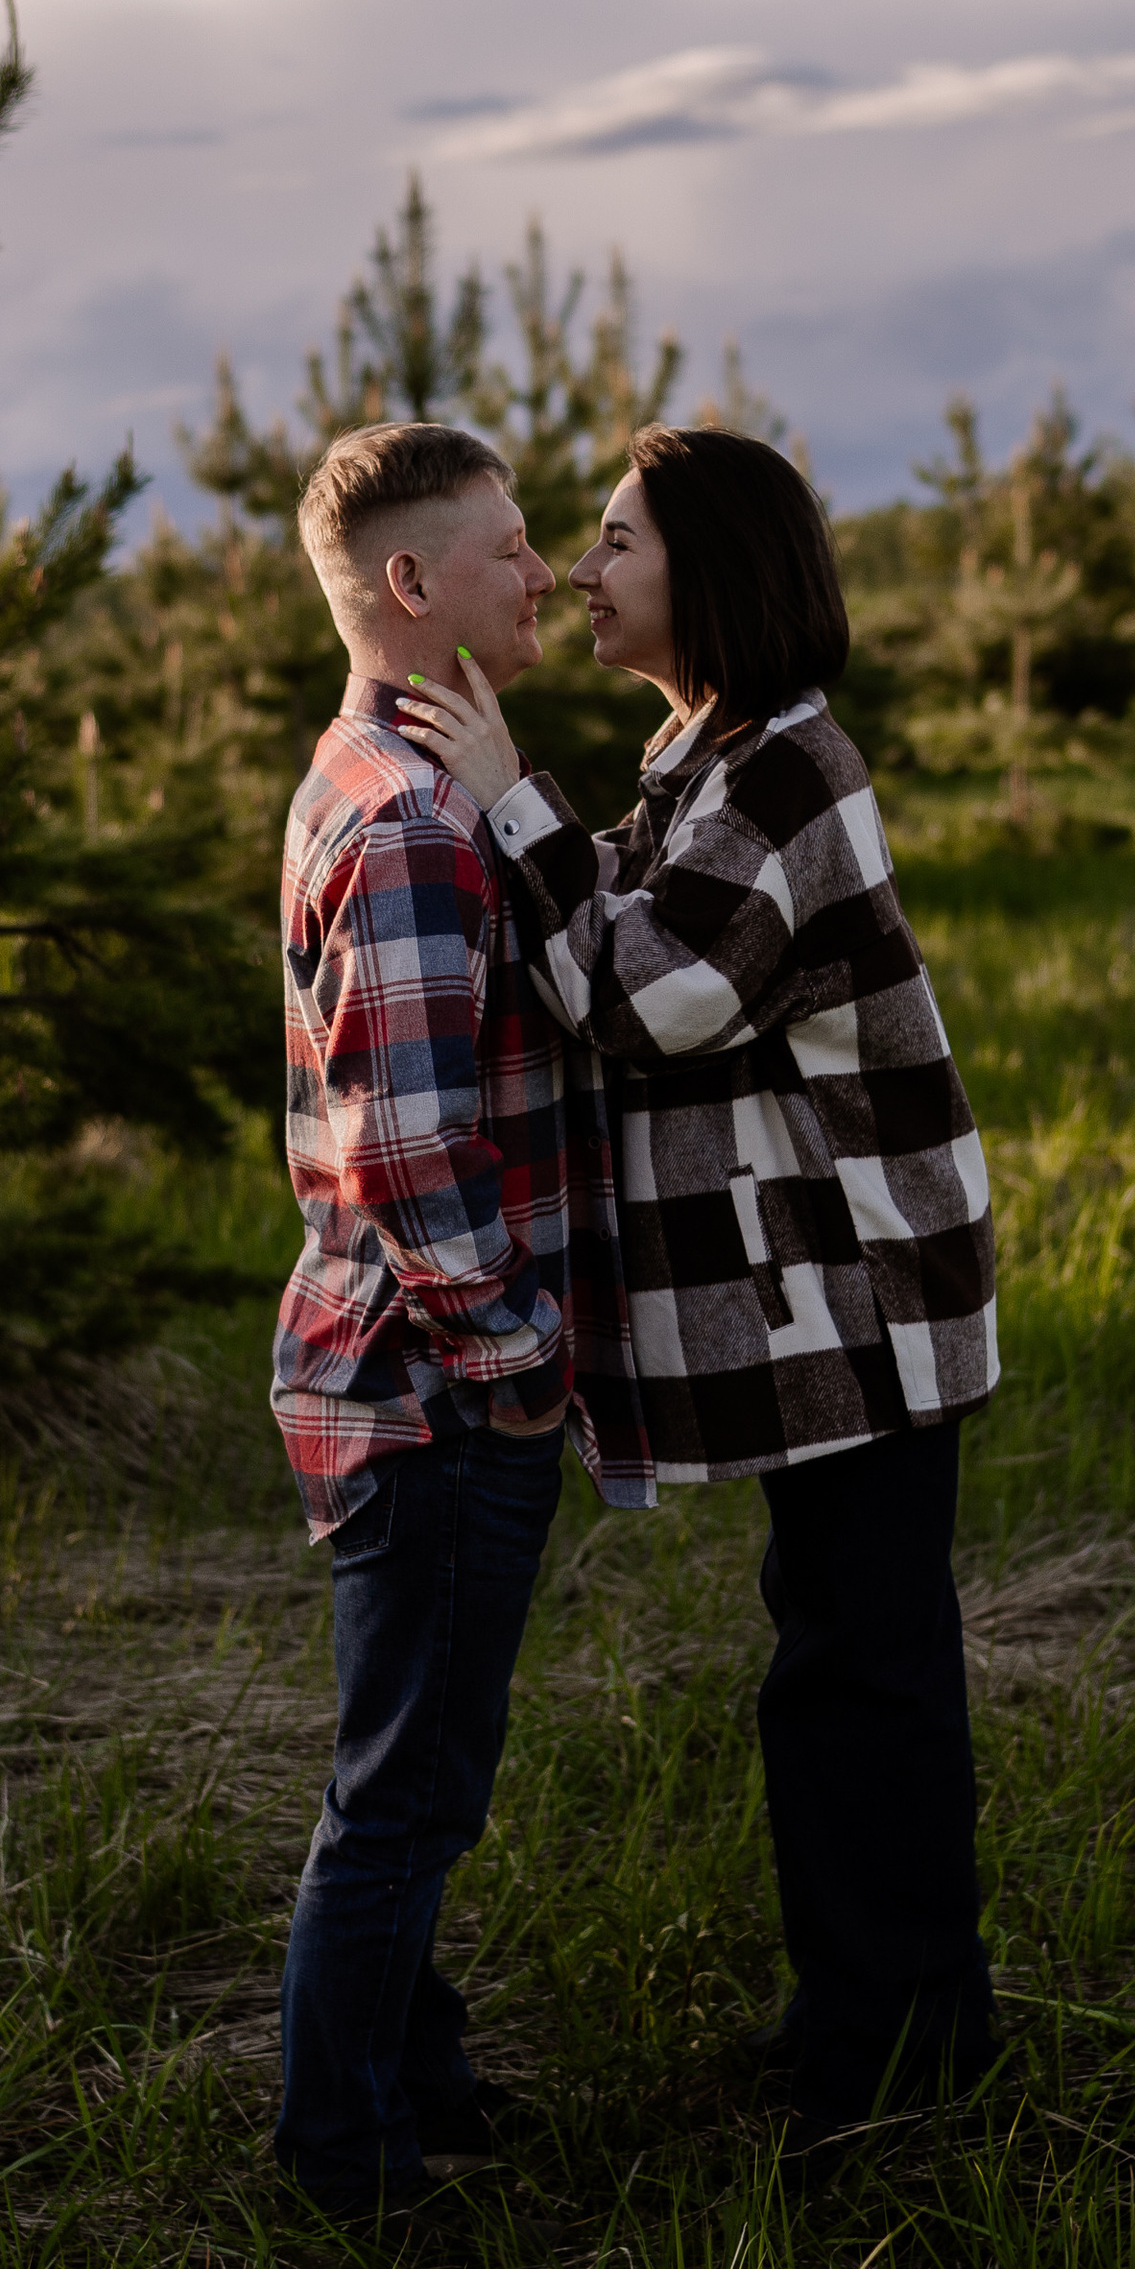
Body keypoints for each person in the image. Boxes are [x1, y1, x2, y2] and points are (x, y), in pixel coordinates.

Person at [401, 425, 1000, 2144]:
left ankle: (897, 2062)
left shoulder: (795, 773)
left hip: (863, 1296)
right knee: (834, 1653)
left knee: (863, 1670)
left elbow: (645, 995)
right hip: (820, 1292)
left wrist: (514, 792)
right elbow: (614, 920)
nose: (584, 572)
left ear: (714, 572)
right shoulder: (708, 752)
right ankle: (873, 2023)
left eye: (616, 542)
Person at [271, 421, 653, 2220]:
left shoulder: (359, 769)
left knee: (414, 1764)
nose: (551, 572)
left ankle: (410, 2074)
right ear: (410, 586)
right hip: (432, 1397)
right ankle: (343, 2166)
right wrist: (512, 1371)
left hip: (397, 1380)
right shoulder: (418, 828)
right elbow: (414, 1152)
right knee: (407, 1792)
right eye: (509, 548)